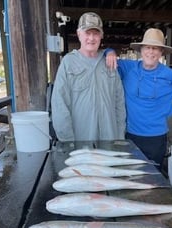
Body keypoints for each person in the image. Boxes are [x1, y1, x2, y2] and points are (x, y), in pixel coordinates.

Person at [106, 28, 172, 171]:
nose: (151, 52)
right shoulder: (129, 67)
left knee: (152, 176)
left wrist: (170, 110)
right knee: (130, 174)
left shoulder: (169, 74)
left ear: (161, 52)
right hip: (129, 134)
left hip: (155, 137)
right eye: (147, 47)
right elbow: (104, 55)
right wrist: (110, 51)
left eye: (155, 48)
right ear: (141, 50)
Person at [51, 12, 126, 142]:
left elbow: (119, 103)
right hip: (80, 143)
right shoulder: (68, 63)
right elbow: (59, 105)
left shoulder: (109, 62)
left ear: (101, 36)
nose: (91, 38)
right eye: (87, 33)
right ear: (79, 34)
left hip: (110, 140)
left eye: (96, 33)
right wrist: (68, 142)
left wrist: (119, 137)